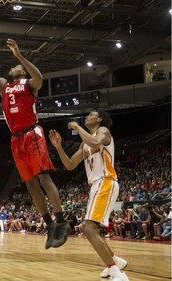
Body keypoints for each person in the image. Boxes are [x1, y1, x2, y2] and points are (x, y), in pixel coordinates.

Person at [0, 36, 70, 248]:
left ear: (23, 72)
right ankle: (49, 225)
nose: (17, 67)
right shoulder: (3, 86)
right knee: (30, 184)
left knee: (44, 178)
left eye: (19, 66)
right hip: (16, 139)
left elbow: (40, 76)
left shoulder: (29, 84)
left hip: (32, 133)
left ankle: (61, 222)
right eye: (15, 65)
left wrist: (20, 56)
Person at [48, 110, 129, 281]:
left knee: (88, 229)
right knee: (94, 229)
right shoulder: (84, 144)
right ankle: (115, 262)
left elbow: (95, 141)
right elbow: (70, 165)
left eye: (91, 115)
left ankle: (117, 273)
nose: (87, 117)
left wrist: (77, 127)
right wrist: (58, 147)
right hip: (96, 185)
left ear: (99, 119)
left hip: (105, 181)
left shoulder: (103, 131)